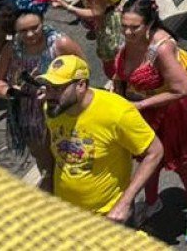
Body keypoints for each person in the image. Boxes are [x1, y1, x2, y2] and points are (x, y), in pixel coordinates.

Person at [107, 0, 187, 247]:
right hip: (141, 116)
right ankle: (152, 202)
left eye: (135, 27)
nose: (128, 32)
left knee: (185, 165)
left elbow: (181, 89)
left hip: (171, 116)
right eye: (125, 26)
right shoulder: (127, 41)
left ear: (149, 24)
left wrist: (140, 104)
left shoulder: (162, 48)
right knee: (147, 161)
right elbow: (122, 75)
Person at [38, 52, 164, 222]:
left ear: (81, 85)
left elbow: (155, 152)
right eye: (49, 87)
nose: (50, 94)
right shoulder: (53, 108)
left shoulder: (118, 112)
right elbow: (50, 143)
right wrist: (47, 180)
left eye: (58, 88)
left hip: (108, 214)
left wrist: (124, 203)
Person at [0, 1, 82, 172]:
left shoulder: (61, 44)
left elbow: (83, 72)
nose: (30, 34)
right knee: (45, 164)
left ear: (43, 21)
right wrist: (9, 92)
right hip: (30, 115)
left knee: (70, 159)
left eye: (35, 27)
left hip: (62, 110)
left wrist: (57, 90)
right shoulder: (12, 48)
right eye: (23, 31)